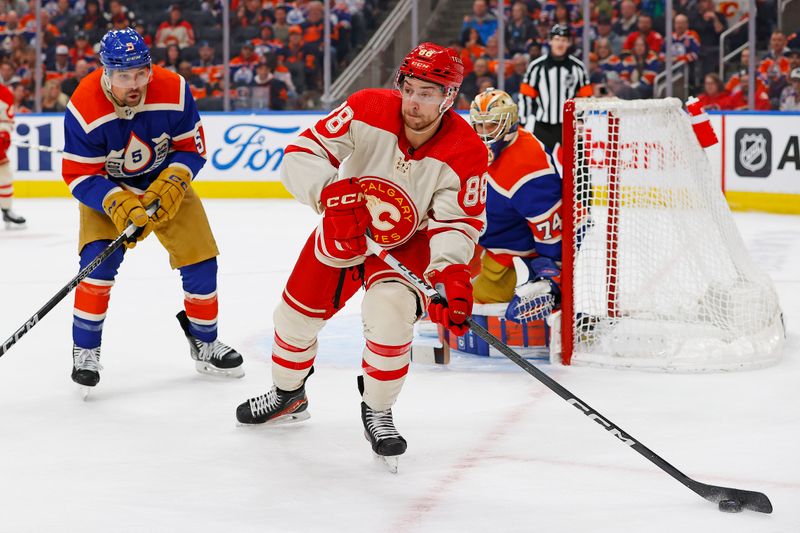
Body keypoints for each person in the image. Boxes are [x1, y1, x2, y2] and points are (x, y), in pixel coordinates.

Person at [235, 43, 487, 470]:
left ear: (449, 97)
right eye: (409, 88)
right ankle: (287, 395)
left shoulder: (467, 151)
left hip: (409, 247)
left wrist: (449, 276)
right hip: (342, 227)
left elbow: (457, 224)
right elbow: (302, 153)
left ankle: (378, 410)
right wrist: (330, 195)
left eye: (428, 93)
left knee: (389, 321)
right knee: (294, 318)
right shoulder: (367, 107)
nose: (414, 101)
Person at [61, 28, 244, 393]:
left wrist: (173, 183)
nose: (134, 83)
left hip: (164, 185)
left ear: (149, 67)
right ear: (106, 72)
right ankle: (85, 350)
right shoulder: (84, 105)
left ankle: (205, 341)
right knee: (97, 267)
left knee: (201, 259)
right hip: (108, 191)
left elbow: (191, 148)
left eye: (140, 73)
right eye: (124, 76)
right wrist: (116, 201)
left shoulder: (174, 89)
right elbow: (79, 174)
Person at [468, 88, 562, 322]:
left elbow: (550, 227)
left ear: (509, 123)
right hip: (491, 238)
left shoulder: (528, 165)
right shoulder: (472, 148)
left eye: (492, 125)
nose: (484, 133)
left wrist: (551, 275)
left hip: (516, 252)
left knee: (473, 301)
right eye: (480, 125)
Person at [519, 24, 592, 152]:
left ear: (568, 43)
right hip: (543, 125)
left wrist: (580, 119)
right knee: (539, 165)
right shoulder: (536, 67)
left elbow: (586, 97)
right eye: (557, 39)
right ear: (550, 41)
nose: (560, 43)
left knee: (579, 167)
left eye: (563, 40)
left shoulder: (578, 68)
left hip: (570, 124)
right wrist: (522, 122)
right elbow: (526, 96)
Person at [0, 81, 25, 228]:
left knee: (4, 174)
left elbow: (6, 122)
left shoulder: (4, 93)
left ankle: (6, 209)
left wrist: (3, 134)